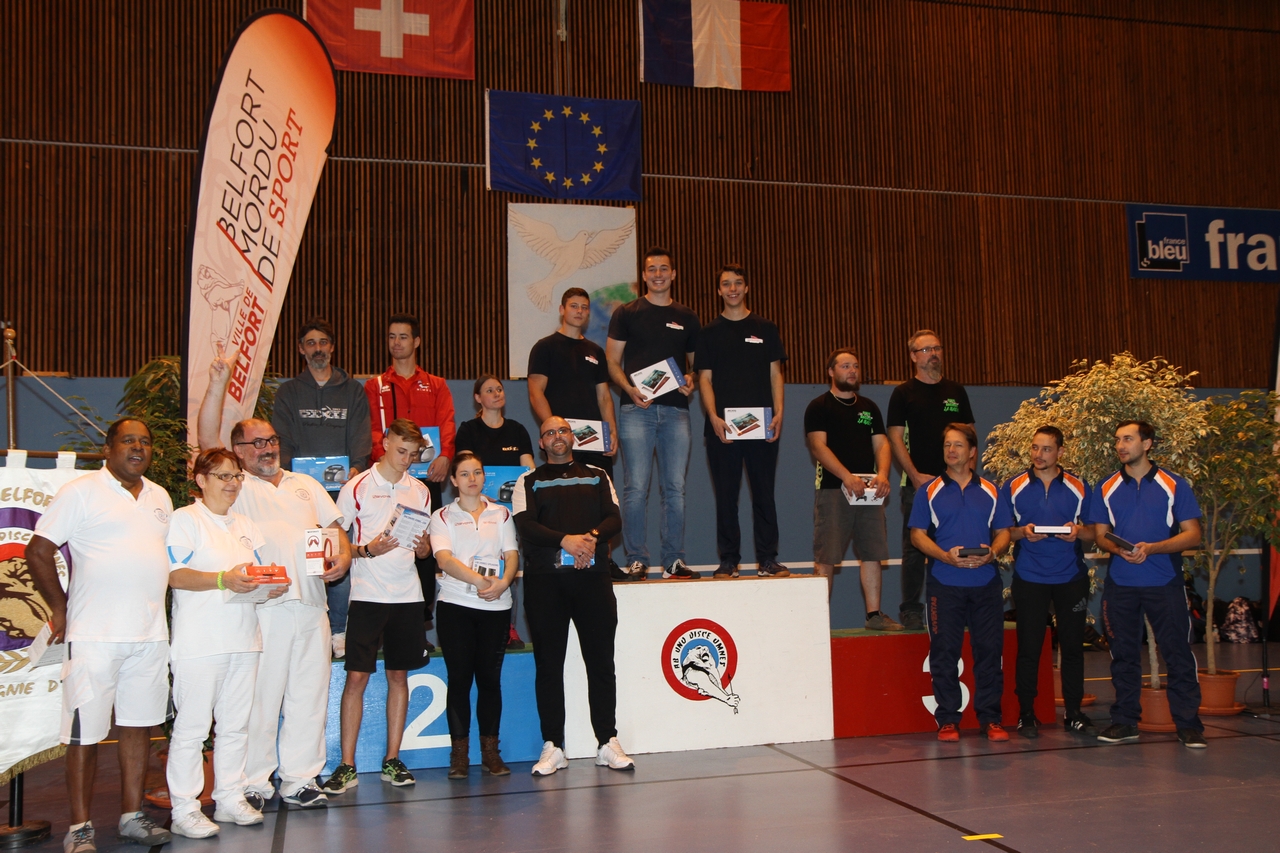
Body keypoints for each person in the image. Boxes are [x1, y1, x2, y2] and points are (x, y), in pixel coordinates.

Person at [197, 349, 352, 811]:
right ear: (238, 452)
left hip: (312, 608)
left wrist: (342, 558)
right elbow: (205, 440)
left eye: (272, 440)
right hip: (266, 610)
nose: (267, 448)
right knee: (261, 701)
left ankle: (300, 778)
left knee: (310, 696)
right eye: (256, 443)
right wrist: (217, 385)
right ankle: (253, 783)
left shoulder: (306, 484)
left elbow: (335, 531)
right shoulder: (236, 487)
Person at [26, 419, 174, 853]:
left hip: (149, 636)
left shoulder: (159, 496)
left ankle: (131, 817)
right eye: (128, 440)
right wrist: (60, 608)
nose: (138, 448)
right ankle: (80, 828)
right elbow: (38, 549)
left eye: (145, 442)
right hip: (94, 634)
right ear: (108, 447)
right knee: (84, 735)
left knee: (137, 727)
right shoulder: (81, 492)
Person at [164, 449, 289, 838]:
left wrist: (269, 587)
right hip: (200, 643)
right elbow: (176, 576)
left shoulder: (246, 525)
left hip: (244, 638)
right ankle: (184, 807)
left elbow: (250, 577)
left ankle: (230, 796)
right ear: (201, 481)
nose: (232, 483)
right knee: (192, 728)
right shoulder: (185, 520)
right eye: (222, 476)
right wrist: (223, 579)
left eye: (236, 476)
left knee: (236, 727)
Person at [513, 416, 634, 775]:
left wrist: (590, 537)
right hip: (545, 584)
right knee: (548, 666)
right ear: (541, 443)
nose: (557, 437)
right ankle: (554, 746)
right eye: (549, 433)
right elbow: (526, 525)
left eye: (562, 430)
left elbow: (613, 518)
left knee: (600, 663)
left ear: (573, 436)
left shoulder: (598, 474)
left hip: (592, 580)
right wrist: (565, 540)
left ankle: (606, 741)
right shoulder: (528, 480)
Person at [323, 419, 433, 794]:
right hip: (368, 595)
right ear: (385, 443)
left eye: (413, 455)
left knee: (399, 677)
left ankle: (392, 759)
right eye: (401, 451)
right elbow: (338, 546)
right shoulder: (356, 488)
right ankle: (347, 765)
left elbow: (426, 547)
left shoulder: (420, 490)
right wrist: (368, 549)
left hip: (407, 596)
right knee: (356, 677)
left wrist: (422, 549)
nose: (407, 460)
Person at [1087, 421, 1206, 748]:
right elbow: (1100, 534)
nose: (1120, 445)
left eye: (1128, 439)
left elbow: (1193, 533)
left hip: (1164, 582)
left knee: (1178, 653)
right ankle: (1125, 722)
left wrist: (1152, 548)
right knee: (1122, 656)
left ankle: (1188, 724)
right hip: (1120, 585)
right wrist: (1118, 549)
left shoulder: (1174, 484)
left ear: (1148, 443)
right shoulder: (1105, 487)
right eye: (1117, 440)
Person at [272, 317, 371, 654]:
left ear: (332, 346)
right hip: (299, 494)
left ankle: (339, 632)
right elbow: (281, 441)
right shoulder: (288, 392)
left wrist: (355, 470)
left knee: (338, 560)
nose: (318, 349)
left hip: (340, 494)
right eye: (310, 343)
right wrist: (287, 479)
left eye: (323, 342)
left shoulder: (353, 390)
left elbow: (361, 439)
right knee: (303, 560)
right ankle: (305, 632)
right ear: (301, 350)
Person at [908, 424, 1012, 742]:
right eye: (947, 445)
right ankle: (948, 720)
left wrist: (993, 553)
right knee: (944, 652)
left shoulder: (993, 491)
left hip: (986, 584)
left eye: (958, 445)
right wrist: (944, 555)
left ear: (972, 452)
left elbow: (1005, 532)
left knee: (989, 652)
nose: (951, 450)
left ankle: (991, 719)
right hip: (944, 583)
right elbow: (916, 535)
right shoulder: (928, 491)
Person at [606, 247, 701, 580]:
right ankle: (637, 559)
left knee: (675, 489)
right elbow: (612, 363)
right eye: (651, 269)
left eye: (664, 268)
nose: (658, 274)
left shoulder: (688, 317)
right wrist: (629, 389)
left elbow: (696, 366)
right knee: (635, 488)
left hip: (676, 413)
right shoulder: (627, 313)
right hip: (636, 410)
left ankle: (674, 560)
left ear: (673, 274)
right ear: (643, 275)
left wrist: (691, 379)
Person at [364, 313, 457, 653]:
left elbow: (447, 421)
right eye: (392, 336)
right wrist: (384, 456)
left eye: (404, 336)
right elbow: (373, 430)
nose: (397, 343)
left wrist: (446, 454)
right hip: (388, 479)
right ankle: (384, 628)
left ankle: (417, 626)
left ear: (416, 342)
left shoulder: (435, 384)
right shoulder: (375, 386)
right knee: (387, 541)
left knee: (422, 548)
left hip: (425, 480)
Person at [997, 426, 1096, 739]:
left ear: (1061, 452)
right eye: (1035, 448)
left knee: (1072, 649)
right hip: (1029, 579)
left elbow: (1097, 532)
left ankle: (1074, 713)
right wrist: (1022, 532)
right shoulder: (1012, 486)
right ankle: (1027, 715)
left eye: (1046, 449)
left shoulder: (1080, 487)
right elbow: (1002, 532)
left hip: (1071, 578)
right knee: (1028, 649)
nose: (1039, 455)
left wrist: (1079, 532)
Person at [428, 452, 519, 779]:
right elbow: (444, 559)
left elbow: (511, 554)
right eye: (464, 474)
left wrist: (504, 582)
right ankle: (460, 755)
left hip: (496, 606)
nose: (472, 479)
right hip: (456, 607)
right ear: (453, 480)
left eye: (477, 472)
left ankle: (491, 753)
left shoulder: (501, 513)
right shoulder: (442, 516)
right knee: (460, 680)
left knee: (490, 682)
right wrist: (482, 582)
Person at [696, 263, 790, 579]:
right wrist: (713, 417)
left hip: (762, 427)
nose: (732, 288)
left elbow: (776, 374)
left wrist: (779, 413)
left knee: (764, 493)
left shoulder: (767, 328)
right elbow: (704, 379)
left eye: (738, 283)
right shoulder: (707, 333)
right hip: (723, 430)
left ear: (746, 288)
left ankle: (767, 559)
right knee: (727, 497)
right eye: (726, 284)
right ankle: (729, 561)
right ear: (719, 290)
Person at [804, 348, 900, 629]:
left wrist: (882, 475)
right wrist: (847, 477)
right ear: (831, 372)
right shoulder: (819, 406)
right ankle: (818, 620)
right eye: (845, 366)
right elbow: (818, 446)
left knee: (872, 551)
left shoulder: (869, 408)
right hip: (834, 490)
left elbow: (882, 444)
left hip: (869, 493)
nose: (852, 371)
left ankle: (873, 616)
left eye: (855, 366)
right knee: (827, 557)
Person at [887, 330, 975, 630]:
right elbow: (895, 438)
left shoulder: (956, 391)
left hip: (955, 485)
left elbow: (970, 437)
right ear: (913, 356)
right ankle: (911, 608)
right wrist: (914, 476)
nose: (933, 354)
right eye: (926, 349)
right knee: (914, 547)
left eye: (937, 348)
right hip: (919, 486)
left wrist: (968, 478)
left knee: (958, 541)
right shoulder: (903, 393)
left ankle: (956, 603)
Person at [455, 373, 534, 648]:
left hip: (509, 514)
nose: (497, 393)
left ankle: (507, 628)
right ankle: (472, 626)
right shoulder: (468, 430)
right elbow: (464, 468)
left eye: (499, 389)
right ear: (478, 398)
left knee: (507, 568)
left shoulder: (517, 430)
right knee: (473, 565)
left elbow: (528, 471)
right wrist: (481, 494)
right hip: (476, 508)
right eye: (490, 390)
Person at [528, 287, 619, 479]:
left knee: (601, 496)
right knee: (563, 498)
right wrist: (555, 432)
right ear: (562, 309)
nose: (579, 311)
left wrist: (611, 431)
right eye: (574, 306)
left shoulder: (596, 351)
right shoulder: (544, 347)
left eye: (584, 307)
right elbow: (536, 392)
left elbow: (604, 397)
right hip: (562, 441)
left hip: (594, 439)